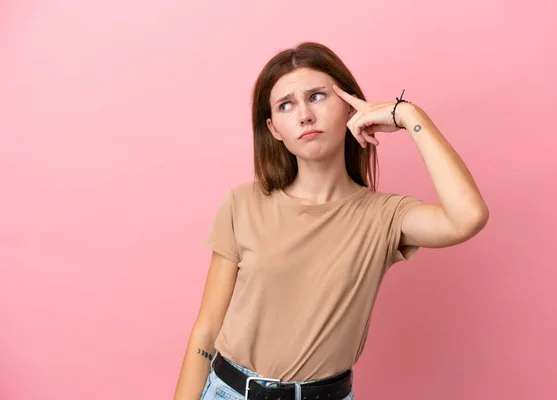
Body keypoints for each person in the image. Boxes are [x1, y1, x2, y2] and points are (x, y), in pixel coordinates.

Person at [173, 41, 489, 400]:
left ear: (350, 105)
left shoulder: (384, 217)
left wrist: (408, 115)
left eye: (318, 96)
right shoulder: (244, 203)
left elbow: (469, 216)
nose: (304, 115)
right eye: (286, 106)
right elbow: (206, 329)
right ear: (274, 128)